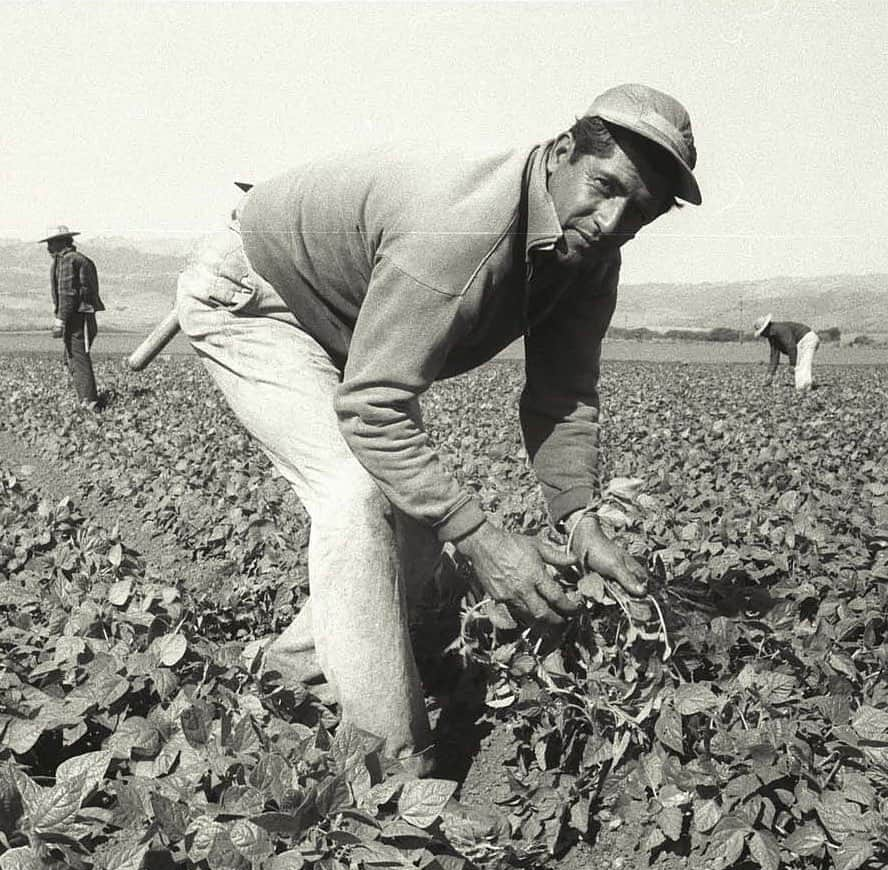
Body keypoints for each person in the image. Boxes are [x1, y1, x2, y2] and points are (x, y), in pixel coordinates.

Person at [175, 83, 702, 774]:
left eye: (639, 211)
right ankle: (389, 776)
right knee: (356, 497)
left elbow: (564, 395)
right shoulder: (463, 228)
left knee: (417, 514)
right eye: (604, 187)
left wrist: (579, 519)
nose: (609, 222)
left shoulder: (586, 257)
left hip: (351, 317)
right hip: (254, 298)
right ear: (565, 151)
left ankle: (291, 673)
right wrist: (483, 540)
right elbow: (374, 407)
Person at [39, 225, 105, 411]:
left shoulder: (68, 261)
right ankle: (86, 399)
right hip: (82, 317)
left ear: (62, 242)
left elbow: (67, 294)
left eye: (52, 243)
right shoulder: (78, 259)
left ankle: (90, 403)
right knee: (74, 357)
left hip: (78, 318)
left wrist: (60, 320)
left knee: (78, 359)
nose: (48, 248)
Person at [753, 314, 820, 391]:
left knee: (803, 365)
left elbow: (791, 346)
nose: (762, 335)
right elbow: (774, 355)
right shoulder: (772, 336)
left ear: (766, 328)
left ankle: (806, 386)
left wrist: (792, 364)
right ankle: (805, 386)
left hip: (807, 339)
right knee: (800, 367)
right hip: (801, 343)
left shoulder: (780, 329)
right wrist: (770, 374)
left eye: (762, 332)